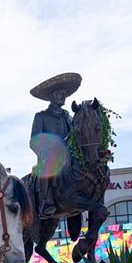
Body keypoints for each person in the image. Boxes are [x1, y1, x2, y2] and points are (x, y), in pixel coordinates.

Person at [29, 72, 82, 217]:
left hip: (69, 157)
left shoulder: (68, 116)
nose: (63, 96)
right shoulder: (41, 116)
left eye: (64, 94)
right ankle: (46, 203)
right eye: (60, 93)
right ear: (52, 96)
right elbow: (34, 141)